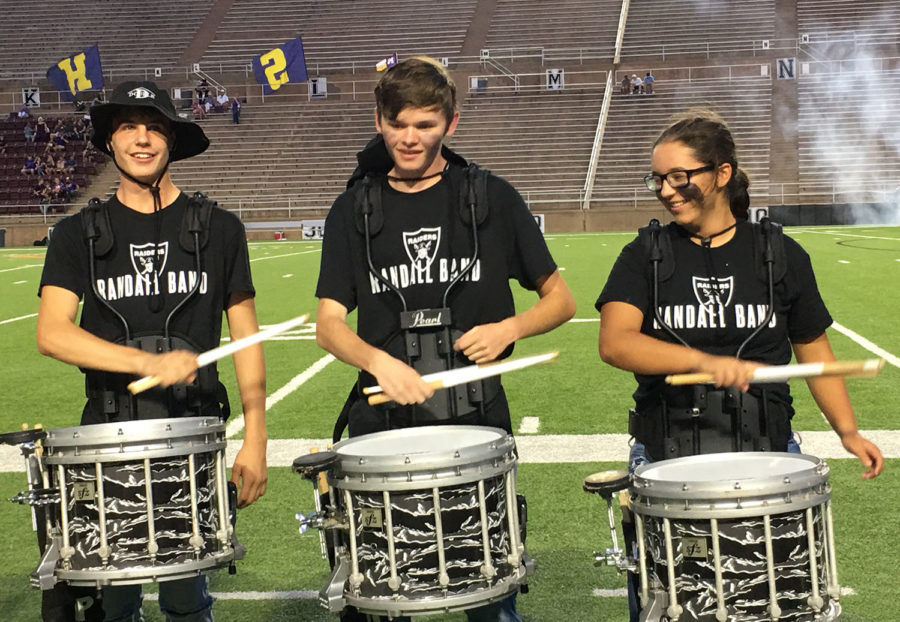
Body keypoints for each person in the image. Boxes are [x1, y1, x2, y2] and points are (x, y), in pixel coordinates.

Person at [315, 55, 576, 622]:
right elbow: (328, 325)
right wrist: (378, 362)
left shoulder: (491, 197)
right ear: (378, 120)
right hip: (382, 428)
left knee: (487, 588)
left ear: (450, 124)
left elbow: (561, 300)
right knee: (384, 593)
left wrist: (511, 327)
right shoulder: (351, 209)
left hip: (477, 421)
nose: (410, 138)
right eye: (398, 123)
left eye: (426, 125)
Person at [595, 109, 884, 619]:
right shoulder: (646, 253)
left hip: (769, 450)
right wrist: (703, 361)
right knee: (670, 605)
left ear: (722, 174)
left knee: (777, 600)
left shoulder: (779, 253)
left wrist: (848, 431)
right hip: (667, 454)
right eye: (657, 179)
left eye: (679, 177)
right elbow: (616, 343)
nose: (666, 190)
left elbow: (813, 348)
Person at [35, 80, 268, 622]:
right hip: (107, 443)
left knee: (187, 599)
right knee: (112, 599)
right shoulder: (75, 234)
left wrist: (256, 438)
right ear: (110, 143)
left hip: (191, 439)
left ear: (172, 141)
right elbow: (52, 333)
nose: (142, 140)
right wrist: (147, 363)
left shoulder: (220, 229)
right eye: (127, 128)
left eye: (154, 128)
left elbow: (246, 342)